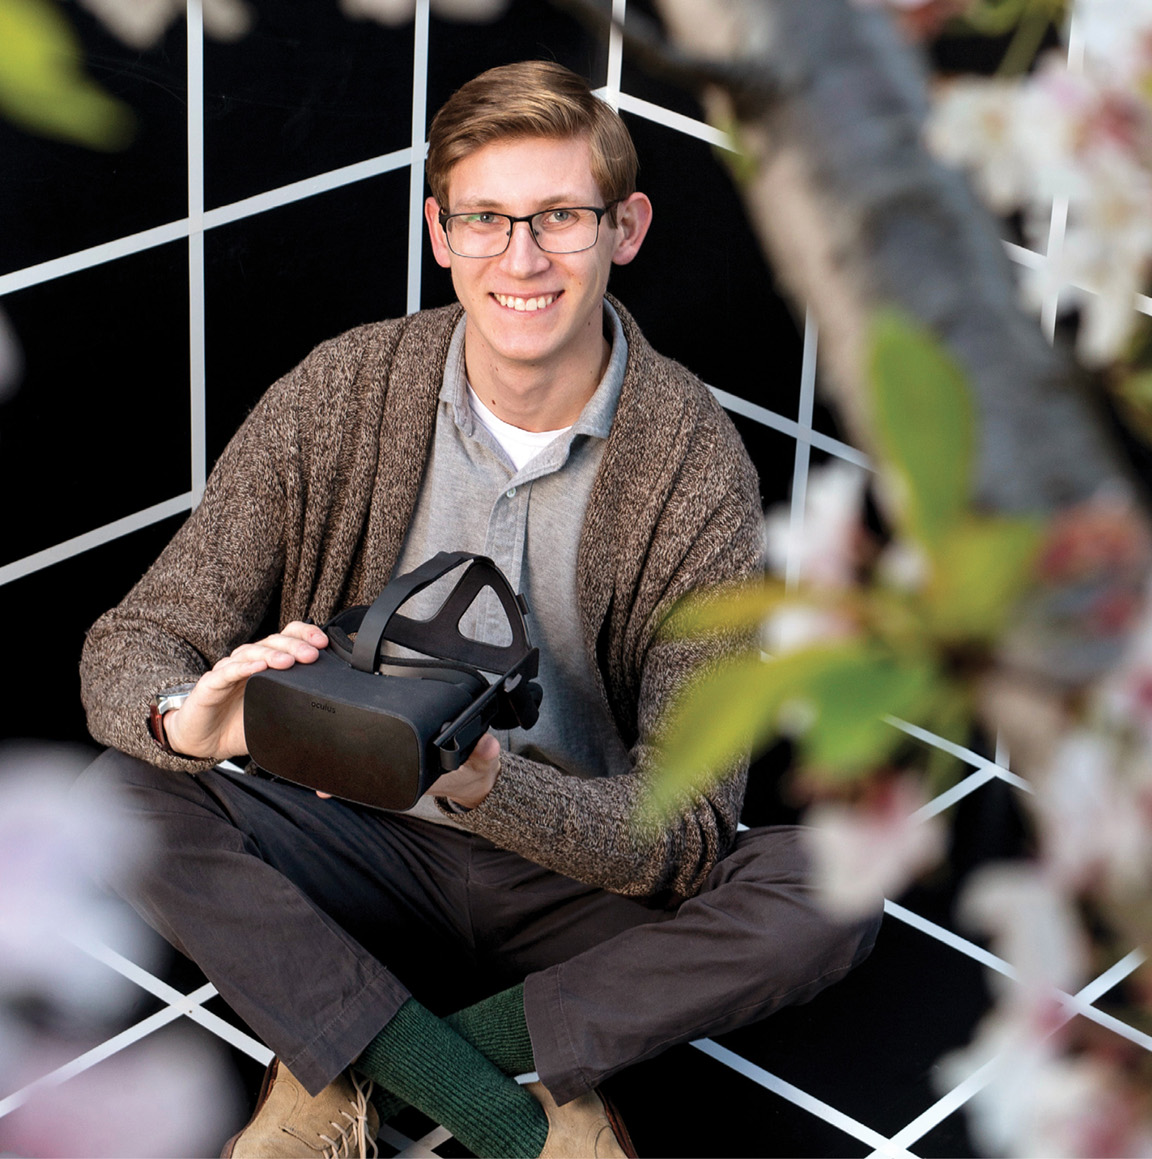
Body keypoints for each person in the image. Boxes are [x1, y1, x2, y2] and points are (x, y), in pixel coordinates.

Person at [78, 61, 880, 1159]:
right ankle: (522, 1107)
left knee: (831, 886)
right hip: (349, 833)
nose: (522, 258)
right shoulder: (341, 390)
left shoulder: (695, 462)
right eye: (488, 219)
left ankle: (365, 1054)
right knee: (117, 793)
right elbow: (128, 645)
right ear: (438, 230)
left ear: (625, 228)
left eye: (559, 217)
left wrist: (494, 790)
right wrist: (194, 718)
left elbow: (686, 827)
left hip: (574, 865)